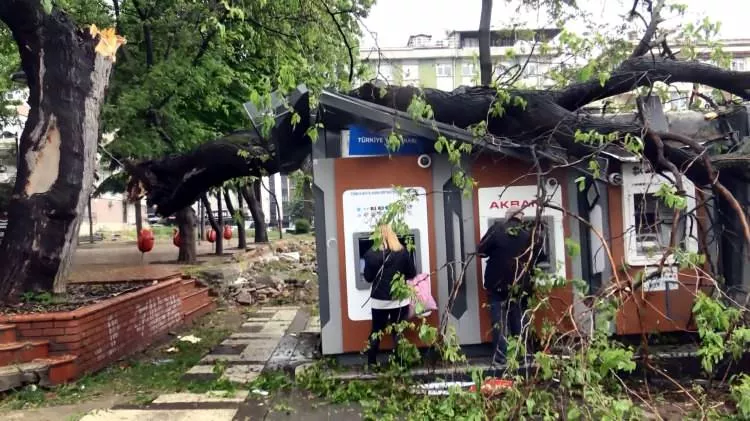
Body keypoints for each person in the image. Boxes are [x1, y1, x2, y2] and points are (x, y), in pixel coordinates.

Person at [477, 207, 545, 365]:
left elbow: (481, 250)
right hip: (521, 284)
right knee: (519, 320)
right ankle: (523, 357)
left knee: (498, 321)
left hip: (497, 284)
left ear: (507, 218)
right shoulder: (531, 235)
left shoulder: (497, 229)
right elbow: (540, 257)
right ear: (521, 218)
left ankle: (501, 358)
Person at [363, 223, 417, 367]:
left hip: (379, 300)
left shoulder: (370, 254)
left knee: (376, 331)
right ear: (392, 234)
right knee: (398, 332)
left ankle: (371, 364)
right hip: (399, 299)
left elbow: (368, 278)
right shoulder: (403, 252)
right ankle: (400, 364)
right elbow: (412, 273)